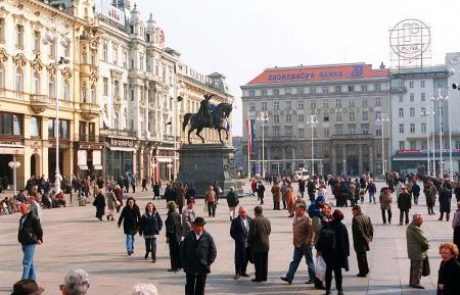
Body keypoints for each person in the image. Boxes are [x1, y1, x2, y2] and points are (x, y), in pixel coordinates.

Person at [316, 209, 349, 295]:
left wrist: (319, 250)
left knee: (328, 272)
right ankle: (340, 290)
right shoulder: (342, 227)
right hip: (338, 254)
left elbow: (321, 239)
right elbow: (346, 241)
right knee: (338, 273)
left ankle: (328, 290)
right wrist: (346, 253)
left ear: (334, 216)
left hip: (328, 254)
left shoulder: (328, 225)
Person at [281, 203, 315, 284]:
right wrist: (294, 239)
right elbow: (294, 229)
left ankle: (313, 278)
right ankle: (289, 277)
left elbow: (311, 232)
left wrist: (308, 242)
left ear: (302, 210)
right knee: (295, 261)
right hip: (297, 244)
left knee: (309, 262)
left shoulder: (307, 219)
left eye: (297, 209)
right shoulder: (296, 217)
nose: (295, 210)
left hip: (306, 245)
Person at [182, 217, 217, 295]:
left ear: (202, 227)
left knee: (200, 287)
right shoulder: (188, 236)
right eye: (195, 226)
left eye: (198, 226)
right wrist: (185, 263)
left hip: (202, 267)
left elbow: (213, 251)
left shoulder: (207, 237)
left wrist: (207, 262)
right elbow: (182, 250)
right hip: (190, 266)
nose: (196, 228)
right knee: (189, 287)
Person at [17, 203, 43, 281]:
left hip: (30, 242)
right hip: (24, 242)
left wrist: (39, 239)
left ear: (27, 208)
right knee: (30, 262)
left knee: (26, 263)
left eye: (22, 208)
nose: (20, 210)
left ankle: (23, 281)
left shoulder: (33, 217)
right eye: (20, 209)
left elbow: (39, 229)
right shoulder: (22, 218)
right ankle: (33, 280)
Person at [248, 206, 271, 282]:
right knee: (265, 261)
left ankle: (258, 277)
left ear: (255, 212)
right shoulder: (267, 220)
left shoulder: (254, 221)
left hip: (257, 245)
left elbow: (252, 234)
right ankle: (264, 276)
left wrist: (250, 243)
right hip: (266, 244)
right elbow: (269, 231)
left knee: (258, 262)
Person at [406, 214, 429, 289]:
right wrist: (427, 246)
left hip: (412, 251)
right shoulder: (416, 229)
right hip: (417, 252)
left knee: (413, 267)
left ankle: (411, 281)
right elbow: (423, 240)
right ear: (417, 221)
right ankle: (416, 283)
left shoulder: (410, 226)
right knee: (418, 268)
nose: (422, 222)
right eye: (421, 221)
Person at [230, 206, 253, 280]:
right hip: (240, 243)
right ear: (239, 213)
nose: (243, 214)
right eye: (242, 212)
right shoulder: (235, 221)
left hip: (249, 243)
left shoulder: (250, 219)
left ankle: (243, 271)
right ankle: (237, 272)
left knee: (246, 258)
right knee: (238, 258)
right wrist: (237, 239)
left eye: (244, 212)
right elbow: (232, 232)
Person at [351, 205, 373, 277]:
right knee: (364, 255)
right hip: (365, 240)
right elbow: (371, 228)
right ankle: (366, 269)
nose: (352, 213)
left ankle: (362, 272)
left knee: (360, 257)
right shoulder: (367, 217)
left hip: (359, 241)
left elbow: (359, 231)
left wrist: (365, 238)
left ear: (357, 210)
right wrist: (369, 238)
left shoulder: (356, 219)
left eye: (353, 211)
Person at [165, 201, 182, 272]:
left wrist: (168, 236)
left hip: (173, 236)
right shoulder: (177, 214)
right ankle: (179, 265)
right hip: (178, 235)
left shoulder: (170, 215)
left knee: (173, 252)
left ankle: (174, 267)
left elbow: (170, 228)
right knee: (177, 252)